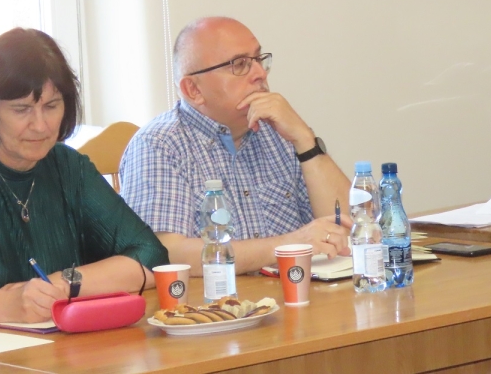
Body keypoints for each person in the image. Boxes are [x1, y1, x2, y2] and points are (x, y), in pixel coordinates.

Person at [0, 28, 169, 323]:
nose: (41, 125)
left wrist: (60, 284)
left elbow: (152, 255)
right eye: (22, 110)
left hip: (63, 348)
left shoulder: (70, 168)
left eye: (51, 106)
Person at [120, 16, 352, 276]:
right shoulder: (159, 145)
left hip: (296, 291)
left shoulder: (279, 129)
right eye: (240, 64)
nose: (260, 73)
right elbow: (164, 253)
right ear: (193, 89)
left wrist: (304, 140)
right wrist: (287, 245)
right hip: (217, 299)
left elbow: (350, 229)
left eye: (259, 59)